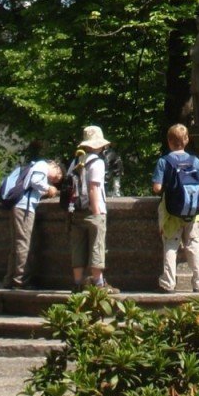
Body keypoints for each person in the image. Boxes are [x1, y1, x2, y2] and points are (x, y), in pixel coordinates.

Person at [151, 124, 199, 294]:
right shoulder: (194, 161)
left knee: (171, 244)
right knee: (194, 245)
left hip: (171, 212)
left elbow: (157, 188)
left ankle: (168, 283)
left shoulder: (164, 161)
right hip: (193, 211)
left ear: (169, 141)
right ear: (187, 140)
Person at [2, 146, 62, 291]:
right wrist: (49, 188)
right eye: (57, 175)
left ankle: (10, 279)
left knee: (17, 244)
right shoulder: (42, 165)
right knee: (23, 244)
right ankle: (20, 281)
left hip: (18, 206)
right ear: (54, 165)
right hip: (24, 208)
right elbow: (36, 181)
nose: (54, 179)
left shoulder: (36, 165)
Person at [69, 125, 117, 292]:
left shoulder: (76, 161)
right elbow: (93, 188)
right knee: (97, 247)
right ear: (99, 145)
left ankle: (77, 284)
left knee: (78, 247)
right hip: (92, 210)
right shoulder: (97, 162)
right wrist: (97, 213)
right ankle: (99, 284)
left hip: (75, 210)